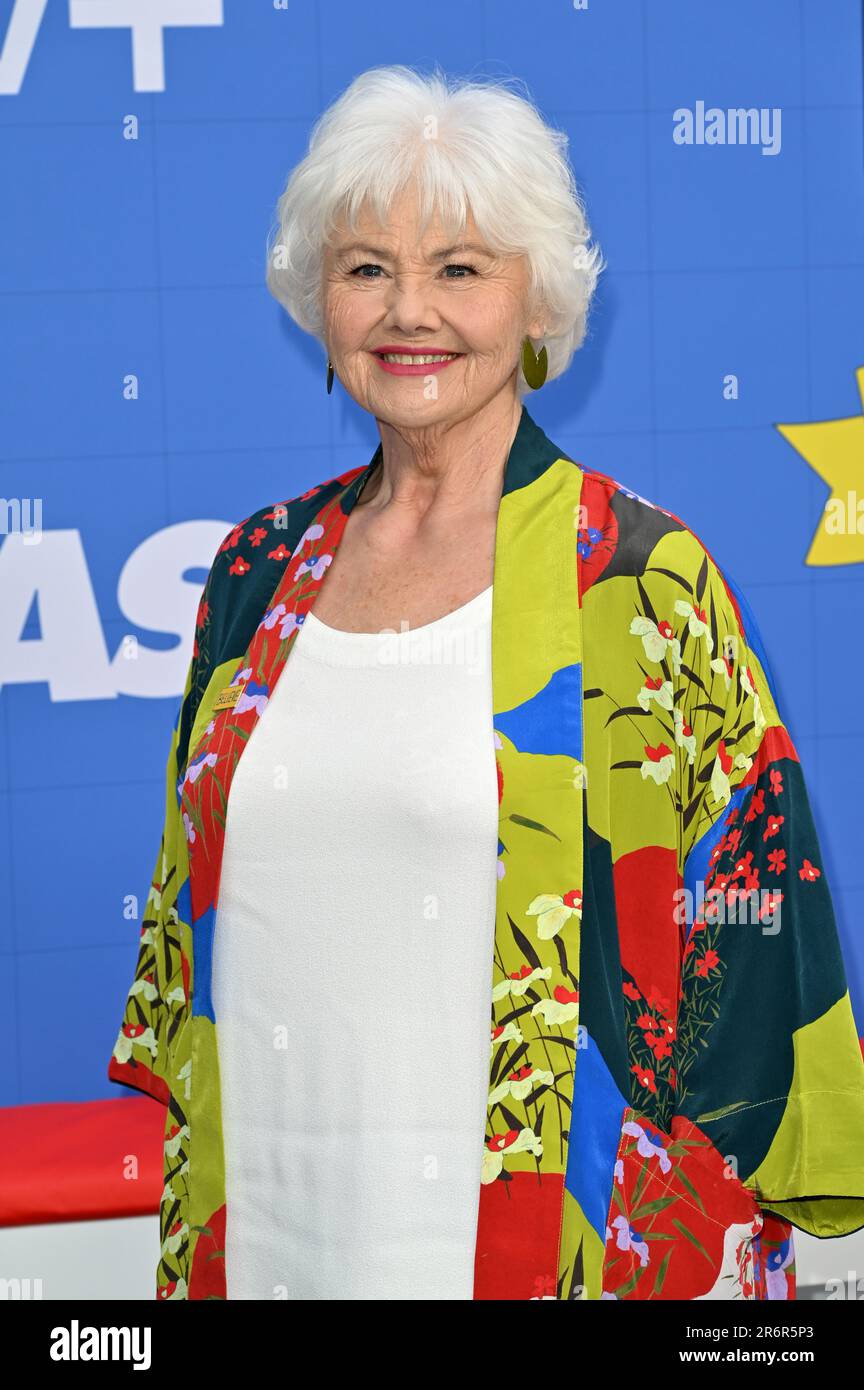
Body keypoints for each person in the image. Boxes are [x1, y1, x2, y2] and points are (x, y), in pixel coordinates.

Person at [108, 64, 864, 1301]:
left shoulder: (642, 578)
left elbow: (754, 924)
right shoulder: (253, 576)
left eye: (459, 268)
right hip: (273, 1238)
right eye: (367, 268)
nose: (411, 310)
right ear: (321, 297)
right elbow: (191, 937)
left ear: (538, 302)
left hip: (532, 1259)